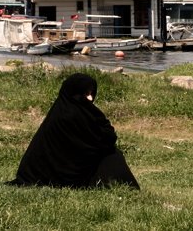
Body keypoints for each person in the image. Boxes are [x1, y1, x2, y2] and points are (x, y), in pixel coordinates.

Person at [10, 73, 140, 189]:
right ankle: (123, 186)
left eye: (91, 93)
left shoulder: (62, 112)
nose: (90, 99)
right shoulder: (71, 116)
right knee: (111, 155)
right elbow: (100, 141)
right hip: (65, 174)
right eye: (85, 94)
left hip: (61, 170)